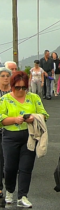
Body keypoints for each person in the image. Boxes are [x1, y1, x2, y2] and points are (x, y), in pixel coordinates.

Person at [0, 71, 49, 208]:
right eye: (17, 87)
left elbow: (44, 114)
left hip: (29, 135)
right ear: (12, 86)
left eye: (23, 87)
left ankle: (23, 195)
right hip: (10, 136)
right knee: (9, 167)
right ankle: (9, 191)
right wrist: (14, 119)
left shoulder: (34, 98)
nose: (21, 90)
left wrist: (34, 118)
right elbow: (1, 118)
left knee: (26, 167)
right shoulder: (4, 100)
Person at [0, 67, 12, 199]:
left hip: (11, 130)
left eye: (7, 75)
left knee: (8, 162)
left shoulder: (13, 92)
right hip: (0, 129)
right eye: (2, 75)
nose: (5, 78)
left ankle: (10, 188)